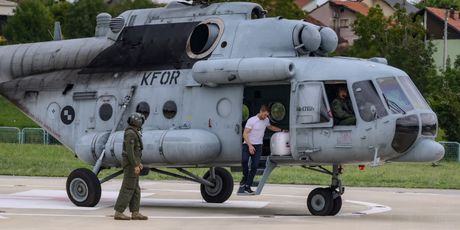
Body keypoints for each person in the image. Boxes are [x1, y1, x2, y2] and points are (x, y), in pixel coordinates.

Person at [241, 105, 285, 195]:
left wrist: (282, 130)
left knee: (254, 166)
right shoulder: (252, 120)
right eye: (264, 115)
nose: (265, 117)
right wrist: (249, 146)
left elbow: (270, 127)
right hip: (247, 144)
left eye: (267, 115)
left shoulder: (266, 120)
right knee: (244, 161)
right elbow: (245, 134)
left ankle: (247, 186)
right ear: (261, 111)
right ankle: (245, 177)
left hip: (258, 146)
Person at [114, 113, 148, 220]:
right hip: (130, 165)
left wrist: (138, 163)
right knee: (128, 187)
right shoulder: (130, 134)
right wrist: (135, 165)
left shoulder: (133, 132)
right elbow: (129, 152)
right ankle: (119, 212)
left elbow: (135, 151)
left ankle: (135, 212)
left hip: (133, 164)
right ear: (137, 122)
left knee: (136, 189)